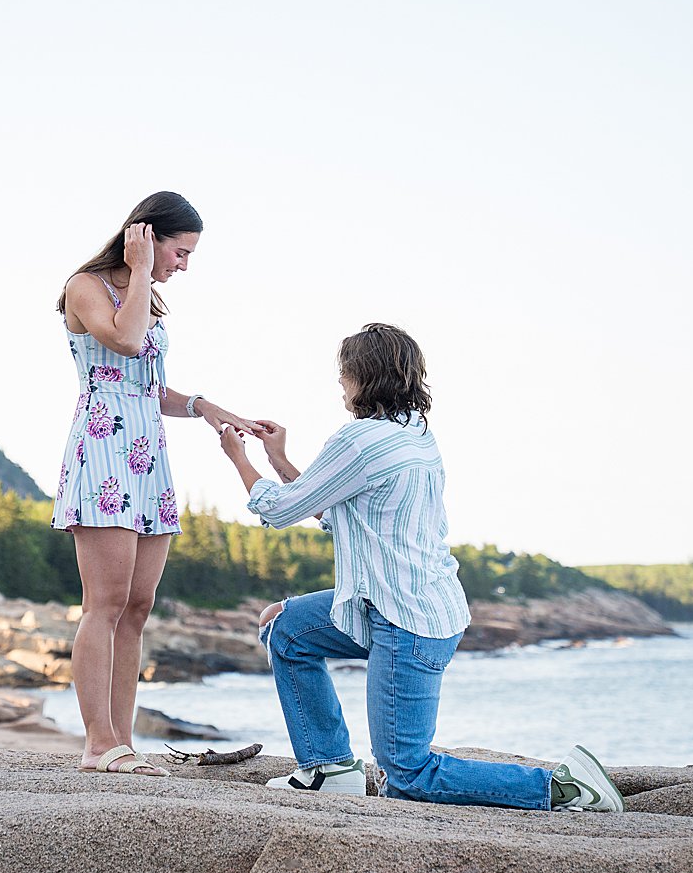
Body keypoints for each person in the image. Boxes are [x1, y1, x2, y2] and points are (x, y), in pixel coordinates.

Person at [215, 322, 623, 811]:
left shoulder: (359, 440)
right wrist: (278, 458)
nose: (339, 385)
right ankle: (329, 768)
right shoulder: (415, 436)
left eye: (343, 374)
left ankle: (563, 788)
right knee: (287, 628)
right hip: (399, 605)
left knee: (407, 774)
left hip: (407, 621)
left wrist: (239, 458)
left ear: (363, 379)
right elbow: (328, 505)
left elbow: (280, 511)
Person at [53, 191, 265, 777]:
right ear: (146, 237)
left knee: (139, 606)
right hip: (103, 452)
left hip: (148, 458)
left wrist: (207, 407)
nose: (184, 265)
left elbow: (148, 383)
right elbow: (121, 342)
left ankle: (122, 739)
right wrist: (142, 269)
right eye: (181, 251)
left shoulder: (152, 301)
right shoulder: (87, 286)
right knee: (106, 603)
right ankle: (99, 743)